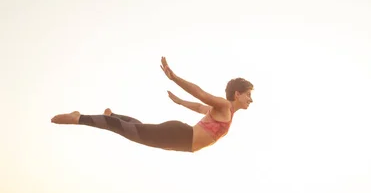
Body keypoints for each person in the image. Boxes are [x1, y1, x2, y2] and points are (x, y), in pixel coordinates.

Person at [51, 57, 254, 152]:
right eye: (248, 95)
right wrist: (174, 78)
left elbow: (200, 108)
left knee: (138, 129)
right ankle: (78, 117)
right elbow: (200, 94)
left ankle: (112, 116)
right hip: (179, 136)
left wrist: (180, 101)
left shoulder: (225, 111)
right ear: (237, 94)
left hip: (180, 138)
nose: (250, 100)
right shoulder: (225, 106)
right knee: (133, 132)